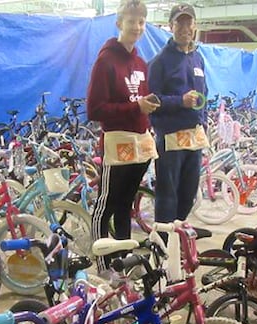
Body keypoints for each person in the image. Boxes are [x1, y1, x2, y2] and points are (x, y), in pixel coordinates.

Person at [86, 0, 160, 272]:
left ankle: (122, 259)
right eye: (132, 21)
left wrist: (147, 106)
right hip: (116, 145)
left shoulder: (141, 62)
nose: (137, 27)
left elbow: (138, 100)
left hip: (139, 145)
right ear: (119, 23)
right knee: (106, 204)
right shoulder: (105, 60)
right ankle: (102, 263)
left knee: (126, 204)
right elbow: (94, 109)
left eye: (141, 22)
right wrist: (135, 107)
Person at [148, 3, 208, 225]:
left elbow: (205, 95)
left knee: (189, 195)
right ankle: (163, 245)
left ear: (194, 26)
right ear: (171, 26)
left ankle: (176, 237)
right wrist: (180, 102)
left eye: (188, 23)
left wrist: (204, 123)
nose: (184, 28)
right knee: (167, 196)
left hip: (194, 139)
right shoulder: (159, 62)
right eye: (179, 23)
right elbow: (151, 101)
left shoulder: (198, 59)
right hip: (171, 140)